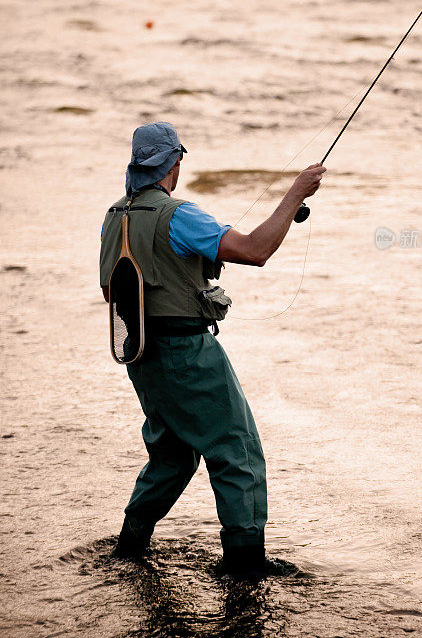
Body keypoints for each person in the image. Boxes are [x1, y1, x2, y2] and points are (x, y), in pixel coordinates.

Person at [99, 122, 326, 578]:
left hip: (139, 355)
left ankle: (130, 546)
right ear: (174, 163)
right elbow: (257, 250)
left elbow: (112, 291)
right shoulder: (180, 214)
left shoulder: (114, 216)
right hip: (188, 353)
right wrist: (295, 193)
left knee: (173, 454)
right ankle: (245, 564)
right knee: (236, 451)